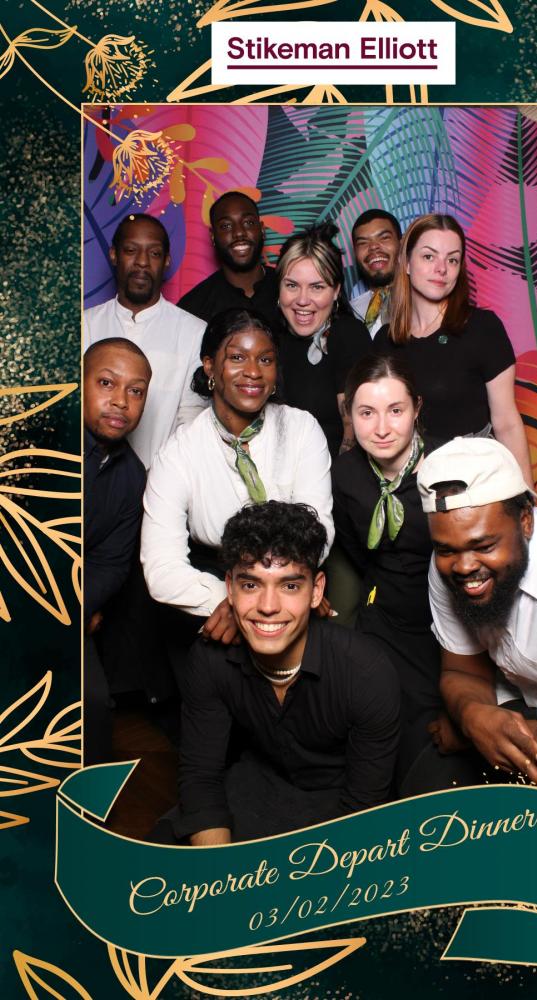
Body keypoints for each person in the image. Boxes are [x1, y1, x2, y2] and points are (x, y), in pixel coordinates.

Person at [173, 501, 401, 843]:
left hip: (340, 809)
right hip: (256, 791)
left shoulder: (366, 673)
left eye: (290, 586)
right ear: (230, 589)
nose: (268, 607)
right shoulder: (210, 659)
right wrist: (219, 870)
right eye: (251, 585)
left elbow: (363, 809)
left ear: (317, 591)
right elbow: (201, 780)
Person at [141, 308, 334, 657]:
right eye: (237, 357)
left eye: (265, 359)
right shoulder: (178, 453)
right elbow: (162, 568)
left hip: (294, 587)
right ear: (209, 366)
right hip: (215, 596)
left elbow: (319, 529)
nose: (253, 372)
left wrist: (284, 592)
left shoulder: (302, 430)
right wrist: (234, 600)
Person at [403, 437, 537, 797]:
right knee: (422, 784)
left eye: (484, 546)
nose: (464, 566)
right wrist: (471, 716)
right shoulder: (449, 565)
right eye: (446, 549)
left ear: (525, 521)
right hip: (524, 707)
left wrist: (468, 734)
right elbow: (463, 672)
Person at [332, 355, 442, 783]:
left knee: (432, 735)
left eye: (395, 410)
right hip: (382, 617)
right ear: (350, 414)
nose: (381, 428)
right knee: (375, 727)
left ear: (417, 408)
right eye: (366, 413)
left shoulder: (450, 466)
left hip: (446, 620)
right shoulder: (346, 474)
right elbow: (357, 552)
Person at [373, 213, 533, 486]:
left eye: (452, 259)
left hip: (475, 481)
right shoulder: (384, 342)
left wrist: (526, 498)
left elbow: (507, 422)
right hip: (409, 487)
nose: (442, 269)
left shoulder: (482, 328)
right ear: (406, 263)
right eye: (429, 256)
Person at [84, 213, 207, 469]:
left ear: (166, 261)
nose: (142, 262)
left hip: (163, 480)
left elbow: (191, 422)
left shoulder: (195, 332)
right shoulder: (85, 324)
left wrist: (163, 481)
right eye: (131, 250)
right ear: (114, 255)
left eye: (154, 253)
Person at [83, 338, 151, 764]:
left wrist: (77, 607)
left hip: (61, 613)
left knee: (92, 709)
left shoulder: (132, 476)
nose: (121, 401)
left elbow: (110, 563)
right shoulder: (33, 442)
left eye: (136, 391)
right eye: (106, 383)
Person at [276, 223, 372, 456]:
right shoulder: (269, 339)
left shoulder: (348, 335)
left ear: (336, 290)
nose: (302, 300)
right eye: (292, 285)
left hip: (333, 473)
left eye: (317, 287)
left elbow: (354, 432)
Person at [177, 191, 280, 329]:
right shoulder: (192, 308)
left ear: (262, 230)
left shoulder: (290, 289)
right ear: (213, 236)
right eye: (226, 226)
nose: (239, 233)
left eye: (248, 222)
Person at [350, 209, 402, 338]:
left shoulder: (425, 299)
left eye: (384, 238)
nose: (373, 246)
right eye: (363, 243)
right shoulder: (351, 309)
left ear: (401, 243)